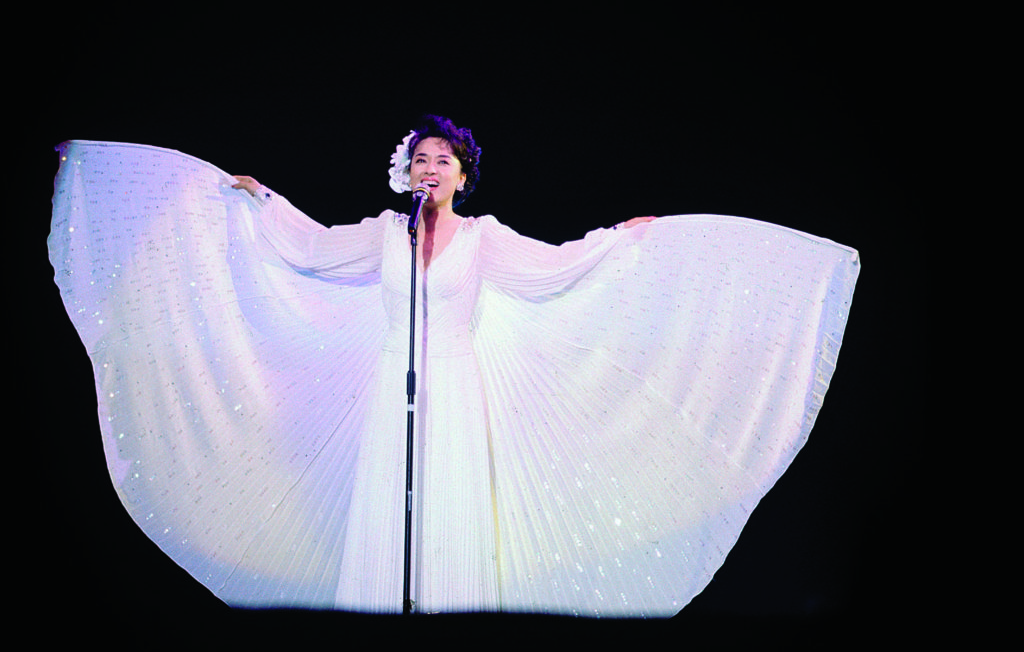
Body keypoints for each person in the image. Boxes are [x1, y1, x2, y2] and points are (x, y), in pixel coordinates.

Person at [49, 116, 859, 617]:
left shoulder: (483, 239)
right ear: (406, 173)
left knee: (450, 512)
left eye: (443, 160)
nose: (430, 169)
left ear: (462, 176)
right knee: (390, 513)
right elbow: (309, 248)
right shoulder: (382, 233)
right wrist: (260, 201)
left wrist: (620, 241)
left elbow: (557, 267)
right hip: (392, 393)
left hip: (456, 392)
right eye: (421, 160)